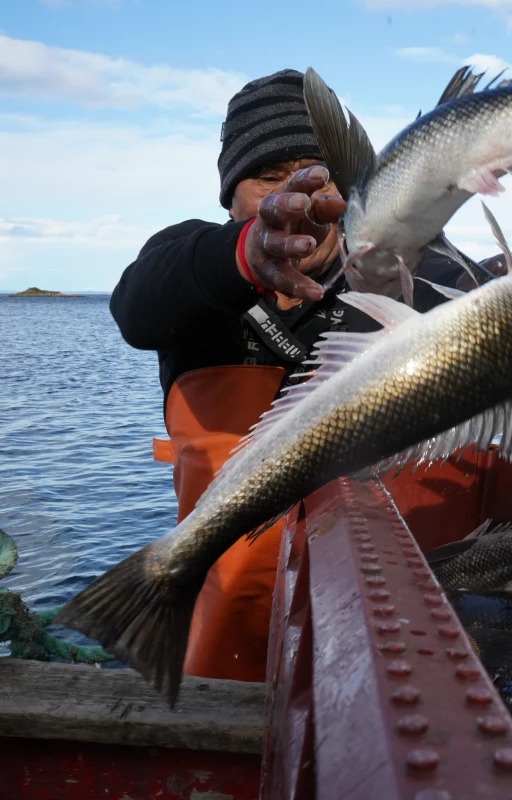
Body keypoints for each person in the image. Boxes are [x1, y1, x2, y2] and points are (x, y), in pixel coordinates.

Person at [110, 69, 474, 683]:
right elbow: (137, 304)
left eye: (315, 174)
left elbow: (477, 319)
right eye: (269, 179)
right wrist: (245, 257)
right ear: (231, 200)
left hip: (394, 634)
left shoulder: (410, 273)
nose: (296, 198)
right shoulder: (193, 265)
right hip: (230, 646)